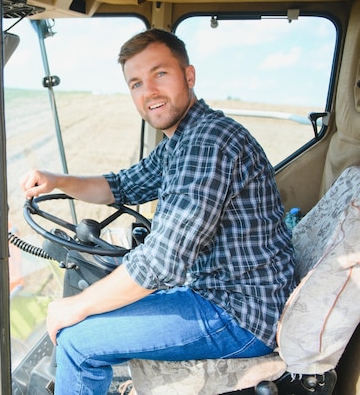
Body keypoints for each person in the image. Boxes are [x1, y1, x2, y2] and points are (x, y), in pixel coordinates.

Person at [20, 28, 295, 395]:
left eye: (159, 74)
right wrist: (57, 180)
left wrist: (76, 307)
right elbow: (120, 185)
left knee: (77, 342)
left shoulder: (209, 142)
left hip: (238, 315)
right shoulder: (183, 140)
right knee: (94, 311)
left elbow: (162, 261)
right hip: (222, 296)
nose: (148, 91)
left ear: (189, 76)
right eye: (136, 83)